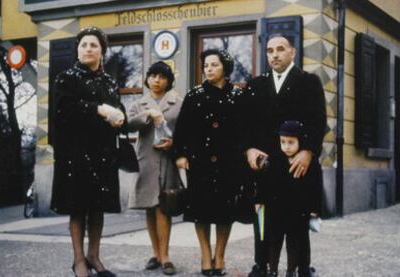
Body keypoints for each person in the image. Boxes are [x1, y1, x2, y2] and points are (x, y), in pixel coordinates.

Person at [245, 34, 326, 277]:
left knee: (297, 220)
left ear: (292, 52)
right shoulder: (256, 85)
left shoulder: (309, 82)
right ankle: (262, 265)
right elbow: (246, 124)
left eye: (280, 49)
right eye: (270, 51)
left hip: (296, 162)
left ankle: (301, 267)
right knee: (264, 219)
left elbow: (318, 121)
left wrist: (309, 151)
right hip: (266, 164)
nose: (274, 55)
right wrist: (249, 148)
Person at [50, 26, 125, 277]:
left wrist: (119, 117)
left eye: (93, 45)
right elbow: (64, 110)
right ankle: (79, 260)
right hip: (74, 153)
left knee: (97, 207)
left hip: (103, 153)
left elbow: (117, 109)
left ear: (102, 51)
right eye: (84, 45)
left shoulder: (109, 82)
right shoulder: (66, 78)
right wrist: (99, 110)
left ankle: (94, 256)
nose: (88, 49)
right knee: (78, 207)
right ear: (78, 50)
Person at [172, 49, 248, 276]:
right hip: (200, 162)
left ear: (225, 67)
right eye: (206, 65)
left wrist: (243, 155)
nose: (209, 69)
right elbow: (182, 128)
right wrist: (180, 154)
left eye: (214, 64)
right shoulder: (194, 95)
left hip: (229, 162)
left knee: (225, 211)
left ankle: (220, 255)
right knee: (201, 210)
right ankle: (206, 254)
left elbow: (245, 130)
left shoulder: (238, 95)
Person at [127, 61, 182, 275]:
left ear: (168, 81)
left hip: (167, 160)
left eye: (162, 77)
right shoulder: (139, 103)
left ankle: (166, 256)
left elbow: (186, 130)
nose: (157, 80)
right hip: (146, 161)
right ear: (147, 79)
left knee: (164, 207)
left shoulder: (177, 103)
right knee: (150, 207)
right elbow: (129, 124)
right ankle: (156, 254)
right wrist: (148, 115)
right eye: (153, 76)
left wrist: (174, 143)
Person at [255, 120, 323, 277]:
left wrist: (314, 209)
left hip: (298, 212)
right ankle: (272, 270)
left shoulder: (310, 163)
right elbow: (264, 182)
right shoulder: (274, 160)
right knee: (274, 242)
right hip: (275, 210)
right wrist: (259, 200)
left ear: (300, 141)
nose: (286, 146)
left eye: (291, 142)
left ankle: (291, 271)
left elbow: (316, 187)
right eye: (283, 142)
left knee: (295, 243)